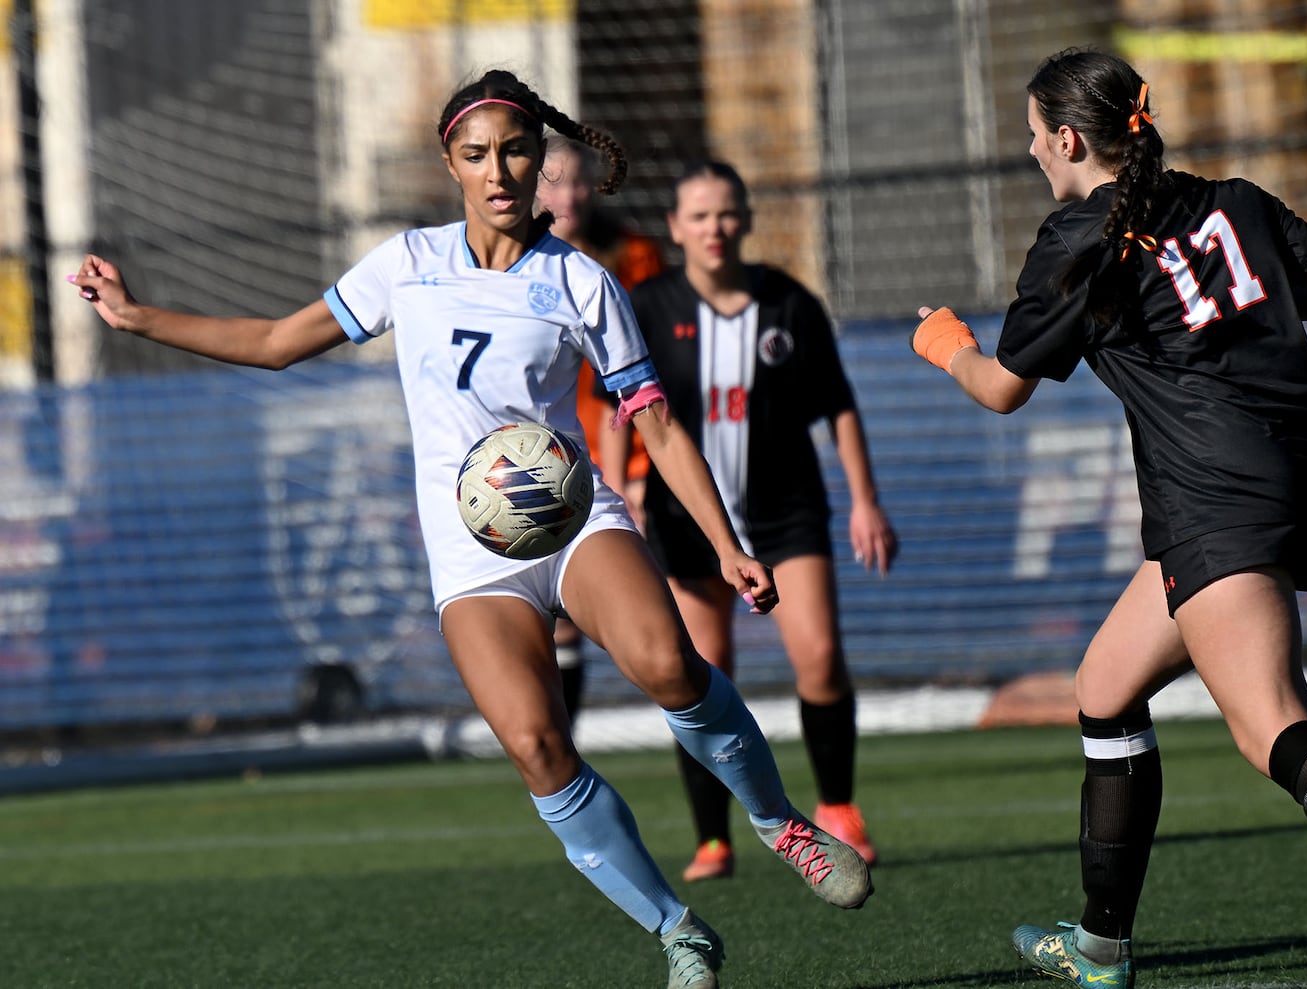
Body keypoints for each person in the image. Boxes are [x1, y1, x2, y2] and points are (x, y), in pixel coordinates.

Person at [69, 69, 873, 989]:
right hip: (470, 553)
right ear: (450, 163)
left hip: (574, 522)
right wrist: (135, 316)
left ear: (542, 162)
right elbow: (275, 344)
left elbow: (654, 422)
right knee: (536, 745)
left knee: (666, 662)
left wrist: (726, 544)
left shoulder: (579, 278)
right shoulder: (406, 262)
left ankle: (781, 824)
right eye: (477, 154)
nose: (499, 171)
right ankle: (677, 929)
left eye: (517, 150)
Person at [909, 48, 1307, 989]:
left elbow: (999, 388)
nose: (1031, 149)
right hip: (1291, 470)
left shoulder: (1078, 240)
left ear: (1069, 138)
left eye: (1034, 134)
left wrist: (944, 343)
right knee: (1107, 685)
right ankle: (1104, 946)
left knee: (1270, 723)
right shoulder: (1228, 196)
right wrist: (1242, 306)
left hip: (1212, 491)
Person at [611, 161, 897, 882]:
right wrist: (619, 489)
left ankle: (837, 807)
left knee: (821, 657)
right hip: (687, 521)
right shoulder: (646, 304)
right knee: (698, 675)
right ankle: (714, 837)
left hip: (785, 510)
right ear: (676, 228)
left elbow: (838, 405)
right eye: (699, 216)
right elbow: (621, 407)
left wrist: (865, 499)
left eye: (727, 213)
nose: (715, 228)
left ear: (747, 218)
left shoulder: (789, 303)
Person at [535, 136, 664, 721]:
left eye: (579, 180)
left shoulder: (631, 259)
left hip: (630, 463)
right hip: (546, 464)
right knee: (552, 624)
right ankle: (562, 749)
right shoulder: (506, 267)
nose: (570, 194)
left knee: (658, 620)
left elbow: (638, 379)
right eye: (555, 181)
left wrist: (631, 473)